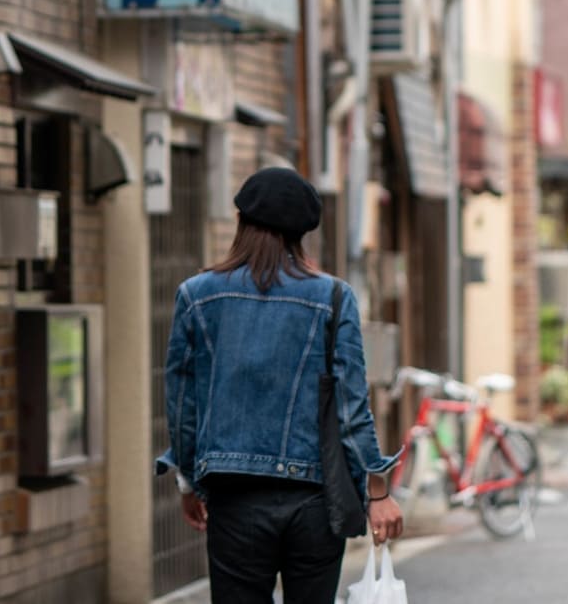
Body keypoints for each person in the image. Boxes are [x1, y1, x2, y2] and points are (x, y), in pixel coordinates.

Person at [157, 166, 404, 604]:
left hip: (235, 498)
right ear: (299, 234)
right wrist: (377, 491)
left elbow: (182, 402)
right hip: (314, 501)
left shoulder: (196, 295)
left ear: (241, 223)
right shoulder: (332, 296)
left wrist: (189, 481)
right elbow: (351, 407)